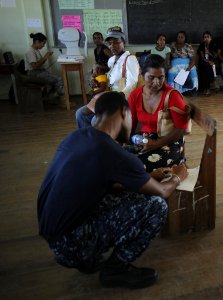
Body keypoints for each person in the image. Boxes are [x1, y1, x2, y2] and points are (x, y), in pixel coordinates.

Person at [37, 91, 188, 289]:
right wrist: (178, 175)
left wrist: (151, 175)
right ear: (123, 113)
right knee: (156, 206)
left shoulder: (77, 136)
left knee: (125, 192)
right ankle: (115, 270)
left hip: (55, 235)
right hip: (72, 244)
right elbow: (162, 192)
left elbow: (111, 181)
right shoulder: (113, 153)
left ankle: (86, 258)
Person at [127, 54, 190, 173]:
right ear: (142, 75)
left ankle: (152, 188)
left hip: (170, 142)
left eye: (161, 77)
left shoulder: (172, 96)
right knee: (118, 159)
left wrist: (156, 144)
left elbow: (181, 129)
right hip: (145, 140)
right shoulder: (135, 96)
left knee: (138, 167)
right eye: (151, 77)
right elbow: (131, 126)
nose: (156, 82)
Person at [75, 26, 140, 129]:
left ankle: (99, 141)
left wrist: (116, 97)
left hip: (121, 100)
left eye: (116, 42)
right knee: (80, 114)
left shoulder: (130, 59)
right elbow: (106, 75)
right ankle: (88, 140)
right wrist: (93, 79)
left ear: (124, 42)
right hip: (108, 96)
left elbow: (132, 84)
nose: (112, 46)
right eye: (110, 43)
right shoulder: (112, 60)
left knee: (94, 120)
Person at [24, 32, 65, 104]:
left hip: (38, 72)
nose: (43, 46)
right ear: (37, 42)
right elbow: (34, 66)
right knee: (59, 79)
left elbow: (39, 63)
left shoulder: (35, 50)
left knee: (53, 80)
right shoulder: (30, 51)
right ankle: (63, 101)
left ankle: (51, 99)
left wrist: (46, 58)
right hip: (33, 74)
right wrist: (45, 57)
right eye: (43, 43)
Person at [167, 31, 198, 95]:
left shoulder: (188, 46)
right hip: (175, 64)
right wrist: (168, 64)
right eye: (179, 37)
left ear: (185, 38)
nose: (180, 38)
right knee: (171, 71)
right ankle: (173, 91)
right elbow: (168, 56)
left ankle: (193, 89)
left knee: (193, 70)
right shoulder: (172, 45)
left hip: (186, 64)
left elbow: (193, 59)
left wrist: (189, 67)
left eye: (182, 37)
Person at [197, 31, 217, 96]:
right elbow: (202, 58)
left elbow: (215, 56)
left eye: (208, 37)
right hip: (203, 62)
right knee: (207, 66)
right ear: (203, 39)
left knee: (208, 67)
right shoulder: (201, 45)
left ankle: (207, 88)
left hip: (212, 63)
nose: (206, 38)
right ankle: (212, 83)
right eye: (205, 37)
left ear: (211, 38)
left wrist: (209, 53)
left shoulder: (213, 45)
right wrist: (208, 61)